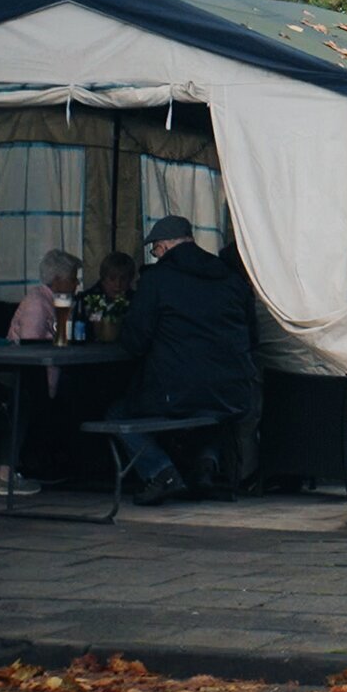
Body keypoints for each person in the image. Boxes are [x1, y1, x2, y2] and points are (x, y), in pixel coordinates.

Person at [110, 215, 259, 503]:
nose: (154, 256)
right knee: (211, 410)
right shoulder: (231, 279)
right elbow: (253, 339)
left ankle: (161, 471)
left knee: (117, 413)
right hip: (233, 392)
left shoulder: (156, 280)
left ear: (163, 247)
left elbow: (134, 342)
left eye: (154, 251)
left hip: (174, 393)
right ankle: (205, 464)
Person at [0, 248, 84, 498]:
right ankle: (10, 474)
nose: (77, 283)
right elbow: (31, 350)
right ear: (58, 279)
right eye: (74, 277)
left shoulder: (56, 302)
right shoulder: (38, 304)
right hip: (19, 377)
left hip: (33, 377)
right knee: (33, 403)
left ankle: (51, 464)